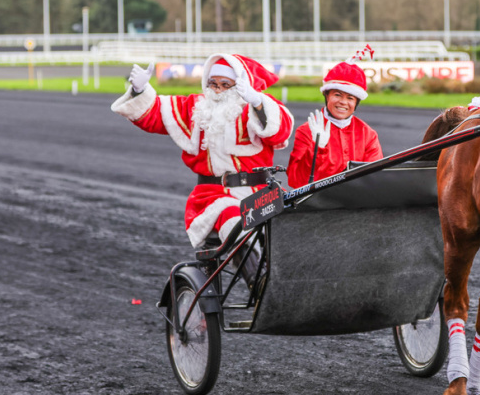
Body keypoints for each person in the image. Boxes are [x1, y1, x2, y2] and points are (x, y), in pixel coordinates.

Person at [111, 54, 294, 249]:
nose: (218, 90)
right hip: (213, 195)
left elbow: (280, 133)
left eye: (225, 85)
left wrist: (257, 101)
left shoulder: (255, 108)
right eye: (213, 84)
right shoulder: (196, 108)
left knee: (293, 225)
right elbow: (155, 114)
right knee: (235, 220)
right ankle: (256, 278)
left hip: (261, 192)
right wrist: (139, 90)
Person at [287, 47, 383, 188]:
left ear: (357, 102)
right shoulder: (306, 131)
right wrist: (317, 148)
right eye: (337, 95)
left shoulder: (368, 134)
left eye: (350, 97)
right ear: (326, 95)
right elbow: (296, 182)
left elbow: (375, 179)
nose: (343, 102)